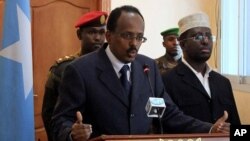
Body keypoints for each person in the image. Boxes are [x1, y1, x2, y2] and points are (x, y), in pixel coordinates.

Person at [51, 6, 230, 141]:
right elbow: (60, 121)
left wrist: (209, 129)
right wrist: (72, 134)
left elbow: (166, 113)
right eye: (127, 36)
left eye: (139, 37)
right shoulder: (81, 70)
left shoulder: (148, 68)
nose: (134, 44)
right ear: (109, 36)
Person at [162, 12, 241, 125]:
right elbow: (167, 124)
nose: (205, 41)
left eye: (208, 36)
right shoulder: (167, 81)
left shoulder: (223, 83)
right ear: (183, 44)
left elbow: (237, 126)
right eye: (198, 36)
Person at [41, 11, 108, 141]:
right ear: (79, 35)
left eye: (102, 33)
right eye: (92, 32)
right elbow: (48, 113)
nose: (98, 38)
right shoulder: (62, 69)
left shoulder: (112, 68)